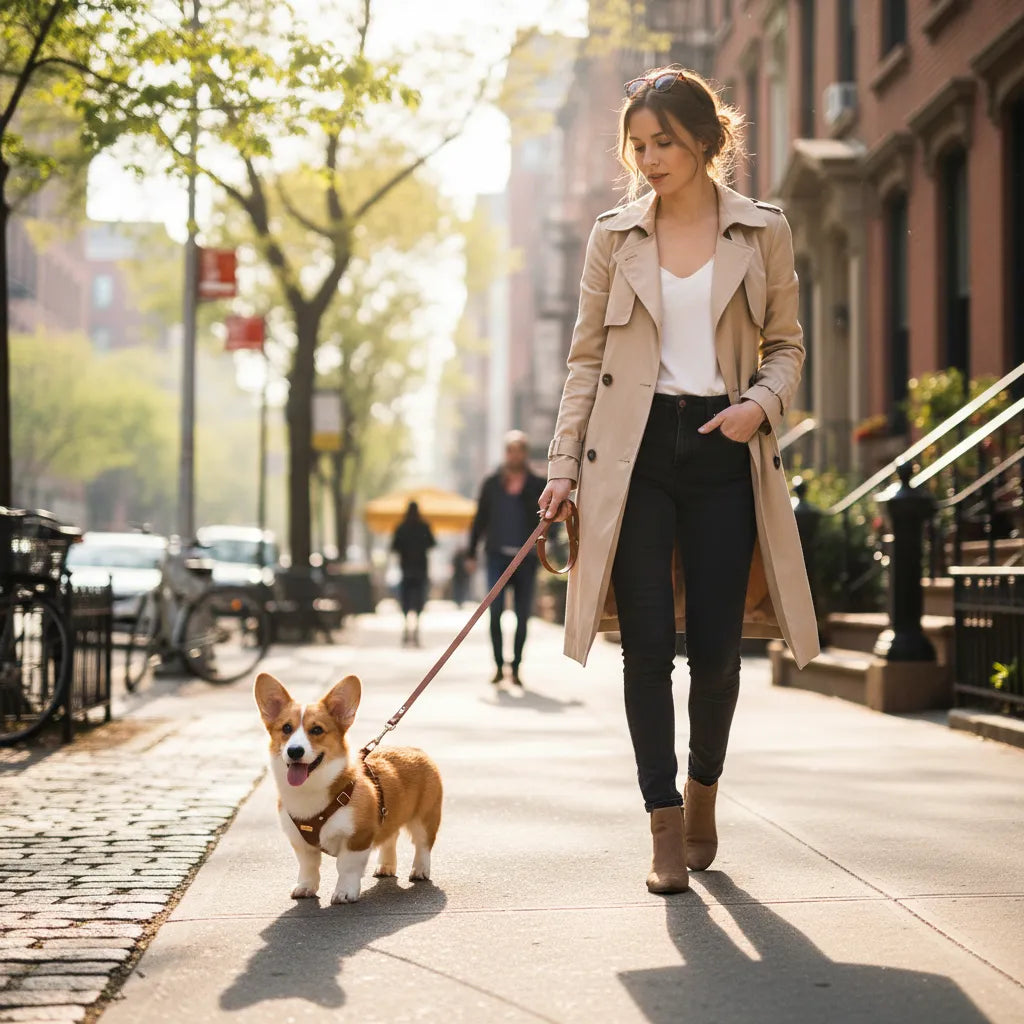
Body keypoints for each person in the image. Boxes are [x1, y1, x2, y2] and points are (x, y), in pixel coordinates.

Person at [538, 67, 819, 895]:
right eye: (638, 144)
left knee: (721, 652)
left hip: (725, 448)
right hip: (636, 455)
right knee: (647, 651)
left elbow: (788, 345)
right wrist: (561, 466)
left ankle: (704, 794)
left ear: (705, 139)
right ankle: (663, 826)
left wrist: (758, 407)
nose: (649, 157)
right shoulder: (614, 236)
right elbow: (585, 359)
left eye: (663, 141)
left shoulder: (762, 231)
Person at [466, 430, 546, 686]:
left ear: (525, 453)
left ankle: (517, 667)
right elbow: (479, 520)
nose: (515, 455)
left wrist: (547, 547)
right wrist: (471, 553)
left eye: (520, 449)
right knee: (496, 612)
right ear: (505, 453)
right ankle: (499, 666)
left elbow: (548, 520)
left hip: (526, 558)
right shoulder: (491, 484)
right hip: (496, 558)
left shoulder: (536, 484)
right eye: (511, 450)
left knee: (523, 615)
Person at [391, 501, 435, 647]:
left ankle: (406, 628)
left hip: (406, 569)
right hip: (420, 569)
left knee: (406, 601)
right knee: (419, 601)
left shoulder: (401, 527)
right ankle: (415, 629)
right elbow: (432, 544)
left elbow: (394, 547)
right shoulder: (424, 526)